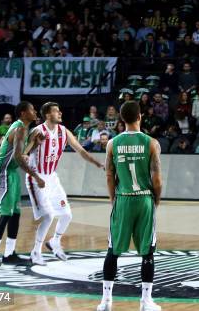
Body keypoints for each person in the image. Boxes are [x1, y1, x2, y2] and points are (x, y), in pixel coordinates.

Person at [97, 101, 162, 311]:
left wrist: (113, 199)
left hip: (123, 197)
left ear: (121, 120)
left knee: (112, 250)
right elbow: (157, 180)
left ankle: (106, 301)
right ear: (140, 117)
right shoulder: (151, 143)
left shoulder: (112, 144)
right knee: (147, 252)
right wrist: (156, 201)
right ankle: (146, 301)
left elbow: (109, 175)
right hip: (144, 199)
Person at [23, 102, 104, 265]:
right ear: (47, 115)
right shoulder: (38, 131)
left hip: (52, 177)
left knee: (67, 214)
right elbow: (25, 153)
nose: (60, 113)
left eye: (60, 111)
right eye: (56, 111)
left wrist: (97, 163)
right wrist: (29, 153)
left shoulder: (63, 131)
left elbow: (81, 150)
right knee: (49, 216)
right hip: (36, 177)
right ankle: (35, 252)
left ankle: (54, 241)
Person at [0, 102, 42, 268]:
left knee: (15, 213)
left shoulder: (24, 131)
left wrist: (34, 144)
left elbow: (21, 154)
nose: (35, 111)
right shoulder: (19, 129)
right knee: (6, 213)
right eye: (32, 109)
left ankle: (9, 254)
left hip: (12, 172)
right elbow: (18, 157)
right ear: (24, 113)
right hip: (3, 171)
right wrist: (35, 176)